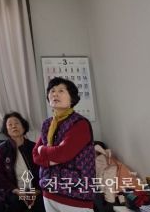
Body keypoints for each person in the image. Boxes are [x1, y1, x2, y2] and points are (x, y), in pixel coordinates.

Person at [33, 78, 95, 212]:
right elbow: (35, 156)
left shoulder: (80, 123)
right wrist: (51, 158)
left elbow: (62, 154)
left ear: (72, 99)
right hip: (49, 189)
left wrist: (43, 150)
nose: (55, 94)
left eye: (61, 91)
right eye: (52, 91)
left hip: (75, 195)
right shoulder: (47, 124)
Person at [0, 112, 43, 212]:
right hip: (14, 189)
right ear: (6, 130)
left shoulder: (33, 146)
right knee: (16, 202)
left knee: (41, 203)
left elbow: (43, 171)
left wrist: (37, 190)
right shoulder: (3, 148)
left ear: (23, 127)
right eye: (10, 125)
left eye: (16, 123)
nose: (14, 126)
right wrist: (16, 190)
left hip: (34, 189)